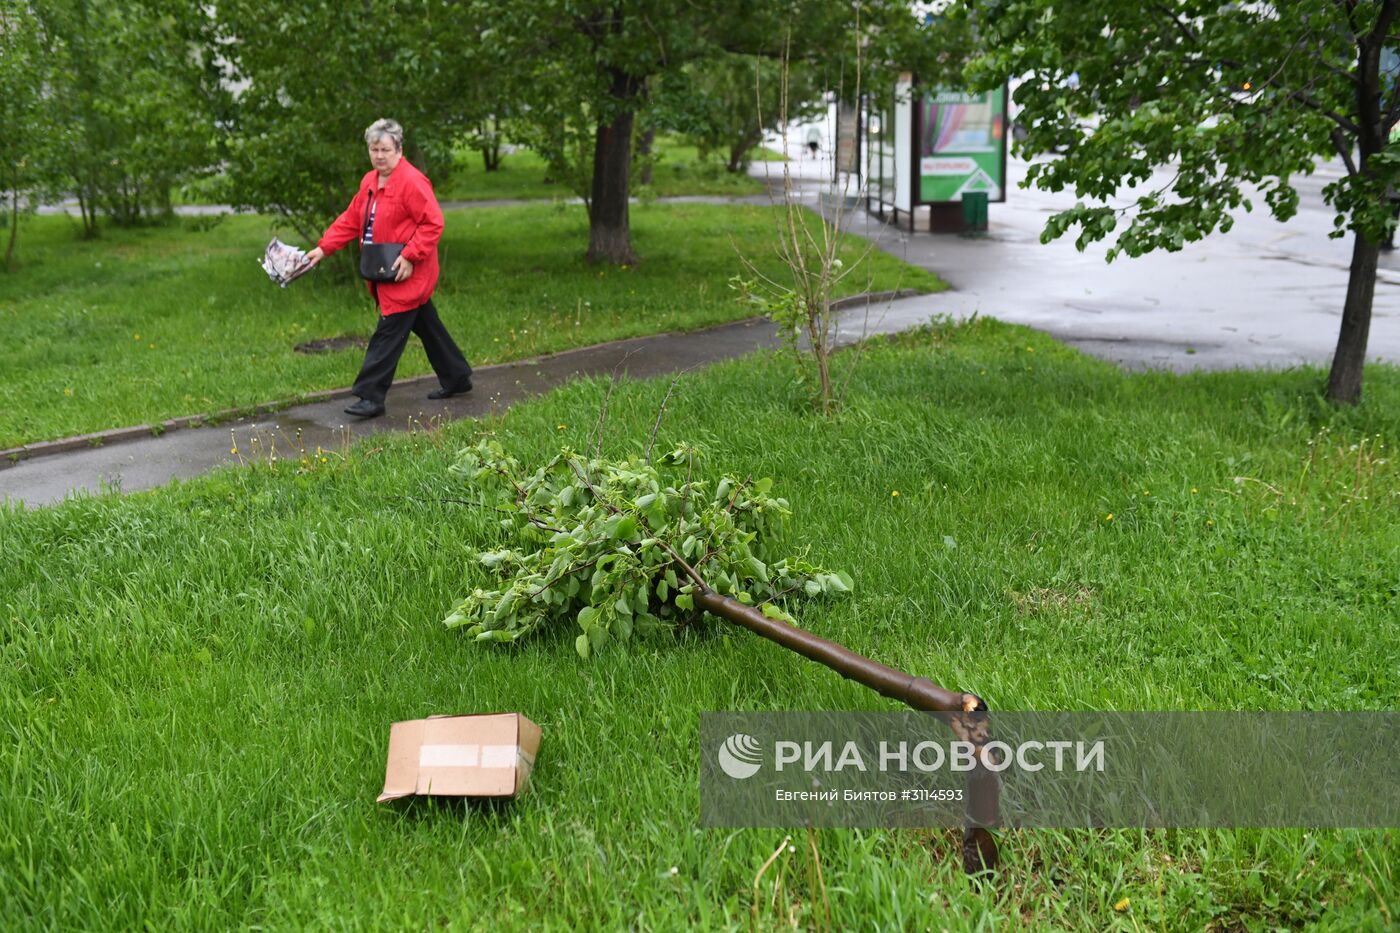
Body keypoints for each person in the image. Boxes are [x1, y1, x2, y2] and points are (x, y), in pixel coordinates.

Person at [305, 118, 473, 419]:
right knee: (428, 326)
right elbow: (351, 219)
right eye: (374, 149)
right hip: (383, 269)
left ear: (399, 149)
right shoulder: (370, 181)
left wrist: (410, 256)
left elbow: (433, 223)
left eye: (385, 149)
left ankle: (371, 396)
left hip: (406, 272)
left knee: (388, 332)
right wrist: (323, 248)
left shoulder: (411, 181)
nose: (379, 155)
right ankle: (457, 376)